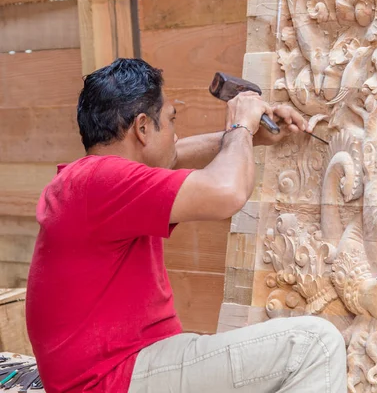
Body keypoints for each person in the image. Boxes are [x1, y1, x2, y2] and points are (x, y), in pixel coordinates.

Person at [25, 58, 347, 393]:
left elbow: (175, 155)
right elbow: (227, 192)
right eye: (170, 121)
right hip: (113, 379)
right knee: (314, 345)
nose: (175, 134)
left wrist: (252, 136)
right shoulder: (100, 181)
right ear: (142, 128)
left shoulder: (90, 182)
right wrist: (240, 128)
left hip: (127, 367)